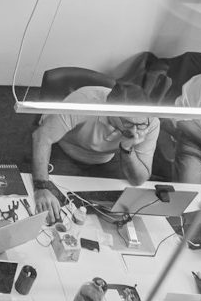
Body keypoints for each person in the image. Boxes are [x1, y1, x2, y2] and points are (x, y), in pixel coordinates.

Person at [31, 82, 159, 221]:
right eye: (128, 123)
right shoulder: (84, 101)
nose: (135, 132)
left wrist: (127, 149)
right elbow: (42, 137)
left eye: (140, 125)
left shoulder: (150, 121)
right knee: (51, 211)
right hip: (65, 148)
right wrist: (41, 187)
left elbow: (138, 179)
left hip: (106, 158)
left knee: (116, 211)